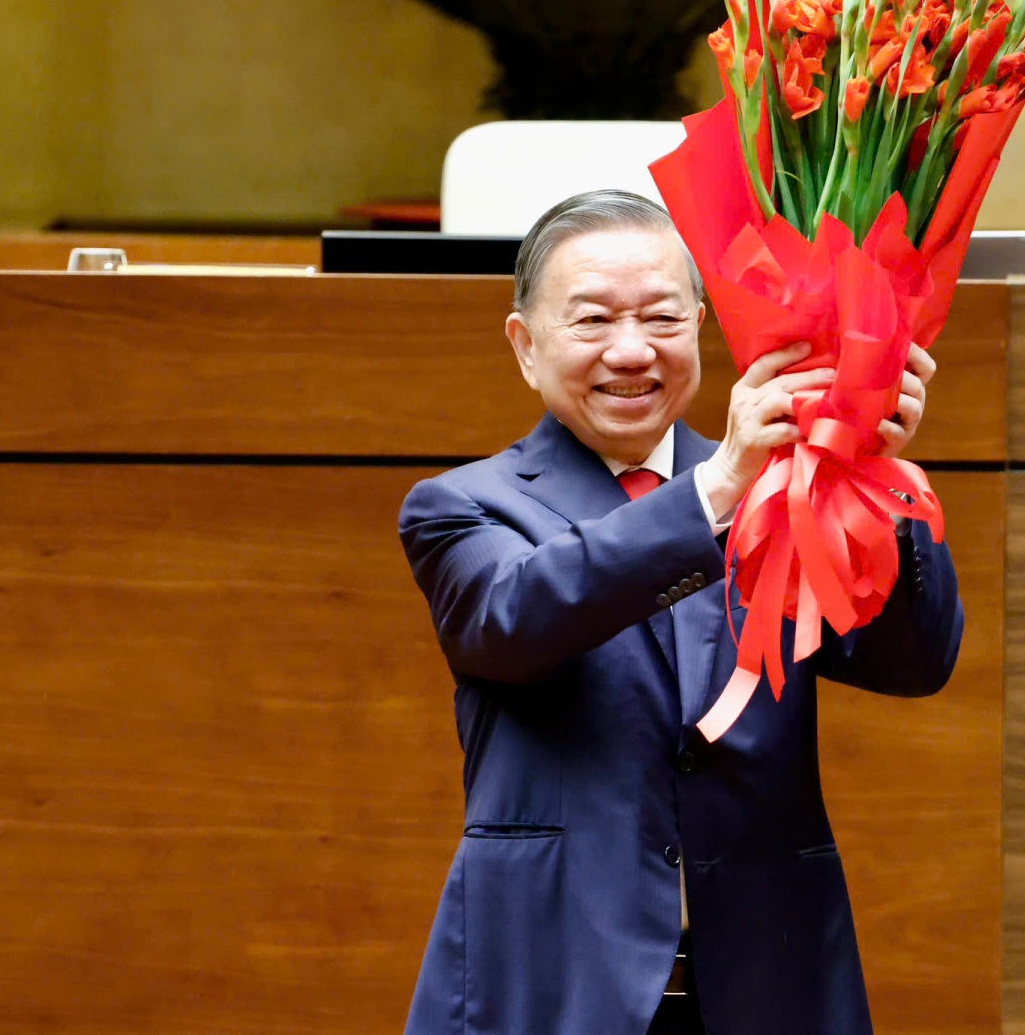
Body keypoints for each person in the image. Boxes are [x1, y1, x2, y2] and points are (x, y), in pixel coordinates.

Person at [398, 190, 962, 1035]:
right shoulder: (462, 507)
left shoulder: (789, 488)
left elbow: (912, 664)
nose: (631, 351)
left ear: (702, 324)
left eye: (661, 318)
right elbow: (514, 623)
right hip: (556, 984)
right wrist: (716, 490)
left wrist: (867, 467)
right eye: (592, 321)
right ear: (525, 345)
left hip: (767, 979)